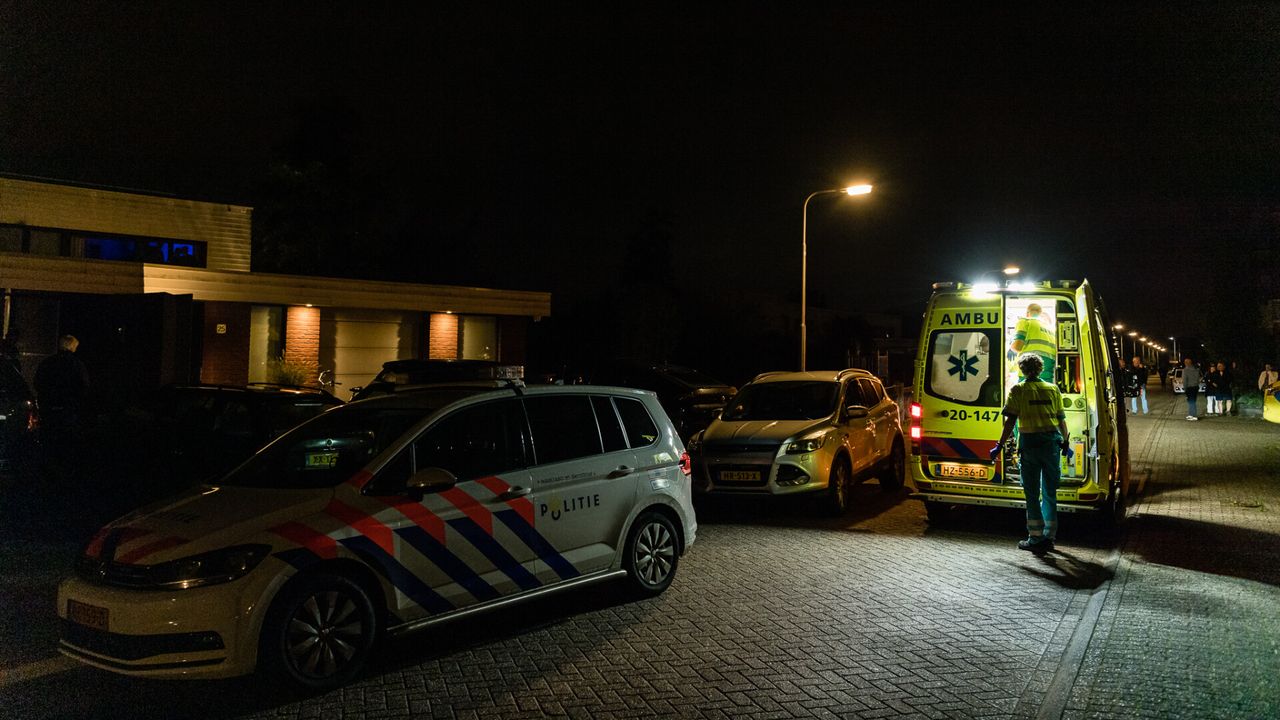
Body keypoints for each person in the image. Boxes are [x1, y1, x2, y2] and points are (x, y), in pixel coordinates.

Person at [991, 352, 1071, 554]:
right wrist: (1066, 441)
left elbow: (1010, 422)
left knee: (1032, 494)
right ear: (1040, 368)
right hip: (1052, 445)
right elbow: (1061, 419)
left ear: (1022, 369)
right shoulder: (1053, 389)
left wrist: (999, 446)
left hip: (1030, 447)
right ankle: (1049, 536)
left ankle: (1036, 537)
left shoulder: (1018, 390)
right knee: (1050, 492)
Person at [34, 334, 91, 445]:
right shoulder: (77, 365)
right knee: (67, 439)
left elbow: (38, 382)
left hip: (48, 406)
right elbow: (84, 385)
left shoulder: (47, 362)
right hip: (68, 407)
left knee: (48, 437)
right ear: (72, 347)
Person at [1008, 303, 1056, 382]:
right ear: (1040, 313)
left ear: (1027, 313)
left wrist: (1010, 345)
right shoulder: (1050, 329)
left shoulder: (1025, 321)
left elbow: (1017, 346)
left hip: (1029, 369)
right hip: (1047, 373)